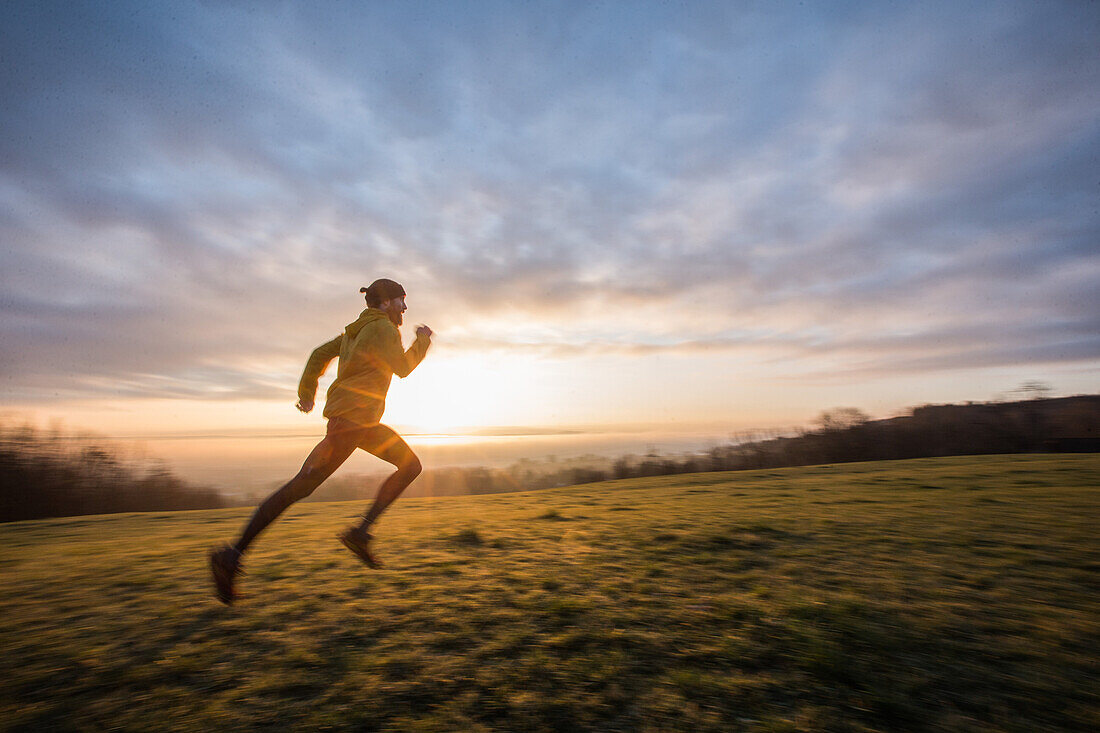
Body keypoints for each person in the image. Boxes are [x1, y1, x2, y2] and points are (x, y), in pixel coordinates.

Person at [209, 278, 432, 604]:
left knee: (409, 465)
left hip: (358, 423)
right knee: (300, 487)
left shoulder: (353, 333)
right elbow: (403, 367)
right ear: (385, 303)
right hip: (352, 425)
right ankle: (231, 555)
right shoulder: (385, 329)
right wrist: (422, 341)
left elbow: (317, 355)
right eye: (401, 300)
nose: (405, 308)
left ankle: (360, 532)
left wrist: (307, 395)